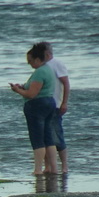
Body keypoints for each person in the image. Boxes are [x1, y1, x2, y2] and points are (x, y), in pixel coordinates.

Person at [9, 43, 58, 176]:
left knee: (37, 138)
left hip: (37, 106)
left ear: (37, 59)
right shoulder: (48, 69)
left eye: (30, 61)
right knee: (48, 137)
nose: (29, 64)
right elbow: (34, 88)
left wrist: (18, 90)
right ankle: (52, 167)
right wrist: (23, 86)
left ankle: (38, 169)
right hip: (49, 103)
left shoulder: (39, 72)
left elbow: (32, 94)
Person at [36, 40, 70, 174]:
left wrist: (64, 102)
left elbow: (66, 83)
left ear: (48, 53)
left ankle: (64, 166)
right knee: (46, 136)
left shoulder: (57, 63)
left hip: (56, 104)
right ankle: (48, 166)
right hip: (44, 104)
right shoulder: (41, 65)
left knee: (57, 135)